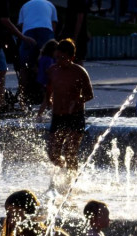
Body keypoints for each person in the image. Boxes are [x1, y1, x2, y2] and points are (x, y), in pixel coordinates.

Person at [38, 38, 93, 175]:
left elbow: (89, 95)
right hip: (58, 116)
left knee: (70, 151)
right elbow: (49, 89)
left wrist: (77, 100)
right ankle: (64, 171)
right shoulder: (52, 70)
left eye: (62, 58)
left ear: (71, 57)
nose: (59, 61)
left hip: (75, 115)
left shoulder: (79, 72)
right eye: (57, 58)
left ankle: (72, 180)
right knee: (53, 154)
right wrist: (46, 103)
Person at [17, 0, 59, 106]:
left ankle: (22, 98)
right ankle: (51, 98)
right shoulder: (50, 4)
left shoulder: (25, 5)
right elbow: (53, 26)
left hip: (28, 32)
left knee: (24, 67)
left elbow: (22, 26)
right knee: (49, 64)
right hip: (46, 31)